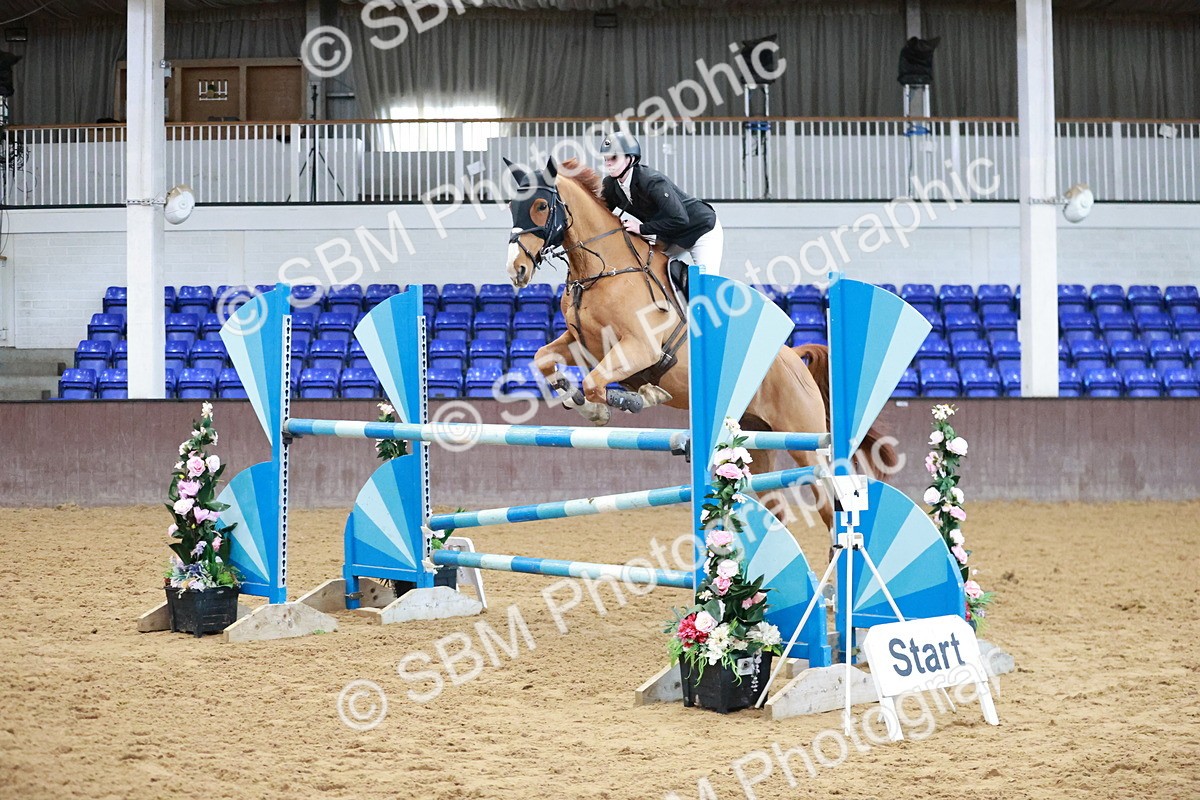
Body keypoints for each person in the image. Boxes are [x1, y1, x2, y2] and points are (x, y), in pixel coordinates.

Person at [599, 132, 724, 275]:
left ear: (631, 158)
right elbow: (601, 214)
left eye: (614, 157)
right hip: (671, 236)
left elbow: (680, 219)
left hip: (700, 229)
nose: (608, 163)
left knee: (706, 282)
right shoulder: (610, 185)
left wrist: (641, 228)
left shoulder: (652, 181)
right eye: (606, 158)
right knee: (649, 271)